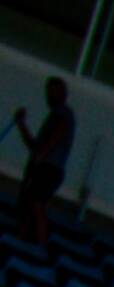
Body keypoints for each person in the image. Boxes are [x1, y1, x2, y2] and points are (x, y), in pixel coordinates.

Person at [11, 76, 73, 243]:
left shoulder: (63, 114)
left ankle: (40, 243)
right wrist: (21, 125)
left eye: (53, 91)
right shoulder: (52, 117)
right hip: (41, 167)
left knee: (37, 203)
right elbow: (35, 147)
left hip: (49, 168)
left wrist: (42, 153)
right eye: (49, 91)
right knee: (28, 203)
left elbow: (59, 131)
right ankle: (22, 238)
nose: (49, 95)